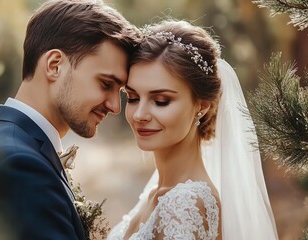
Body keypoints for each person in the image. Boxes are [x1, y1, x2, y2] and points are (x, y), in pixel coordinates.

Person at [0, 0, 139, 239]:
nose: (114, 106)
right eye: (106, 84)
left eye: (119, 91)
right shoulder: (21, 165)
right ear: (55, 65)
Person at [107, 20, 279, 239]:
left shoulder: (186, 204)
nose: (139, 114)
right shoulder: (156, 194)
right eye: (132, 97)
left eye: (161, 101)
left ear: (201, 106)